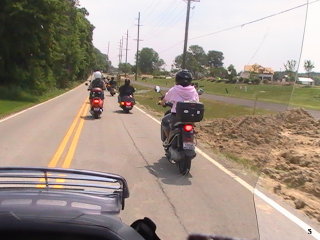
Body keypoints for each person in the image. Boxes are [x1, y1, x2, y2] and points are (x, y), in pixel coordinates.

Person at [160, 69, 199, 140]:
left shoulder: (174, 89)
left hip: (176, 116)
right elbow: (197, 101)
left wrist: (162, 102)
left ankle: (169, 139)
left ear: (177, 79)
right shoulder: (193, 90)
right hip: (190, 117)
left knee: (164, 121)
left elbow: (166, 98)